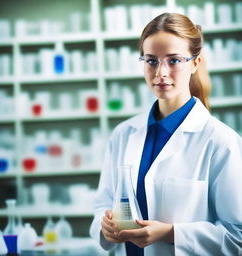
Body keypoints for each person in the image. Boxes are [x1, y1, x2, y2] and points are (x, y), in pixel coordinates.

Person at [90, 12, 242, 256]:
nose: (161, 72)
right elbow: (103, 204)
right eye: (151, 61)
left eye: (174, 61)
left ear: (195, 63)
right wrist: (104, 225)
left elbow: (238, 236)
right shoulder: (123, 134)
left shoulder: (221, 142)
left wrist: (171, 233)